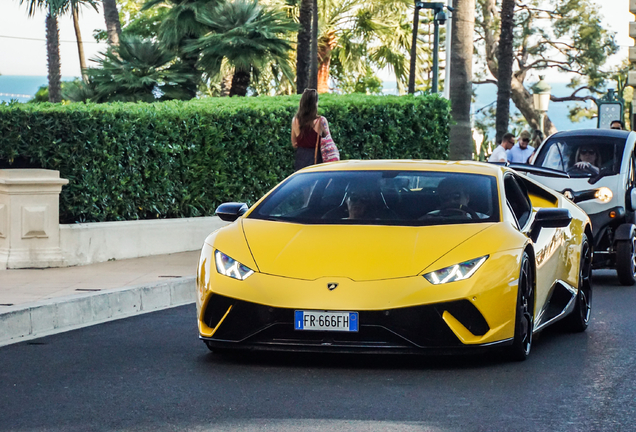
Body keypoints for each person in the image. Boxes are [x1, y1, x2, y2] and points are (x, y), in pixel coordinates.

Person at [291, 89, 331, 171]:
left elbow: (294, 143)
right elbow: (328, 142)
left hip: (301, 159)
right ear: (315, 104)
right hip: (317, 159)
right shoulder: (321, 121)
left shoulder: (295, 120)